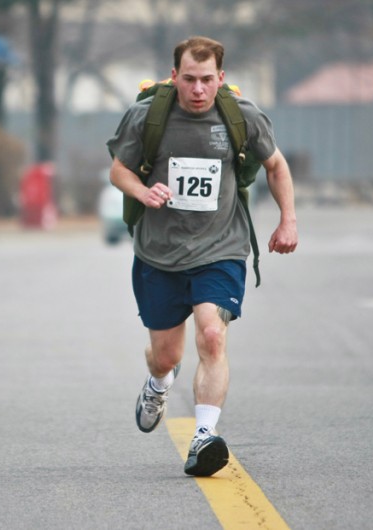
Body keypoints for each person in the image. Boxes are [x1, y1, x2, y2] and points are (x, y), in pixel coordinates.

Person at [107, 36, 298, 477]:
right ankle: (158, 384)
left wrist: (288, 220)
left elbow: (276, 166)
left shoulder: (242, 117)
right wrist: (142, 189)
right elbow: (119, 168)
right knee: (166, 355)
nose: (197, 89)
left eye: (207, 80)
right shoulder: (147, 117)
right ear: (174, 77)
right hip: (159, 253)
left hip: (221, 248)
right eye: (189, 79)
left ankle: (203, 437)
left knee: (212, 335)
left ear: (221, 79)